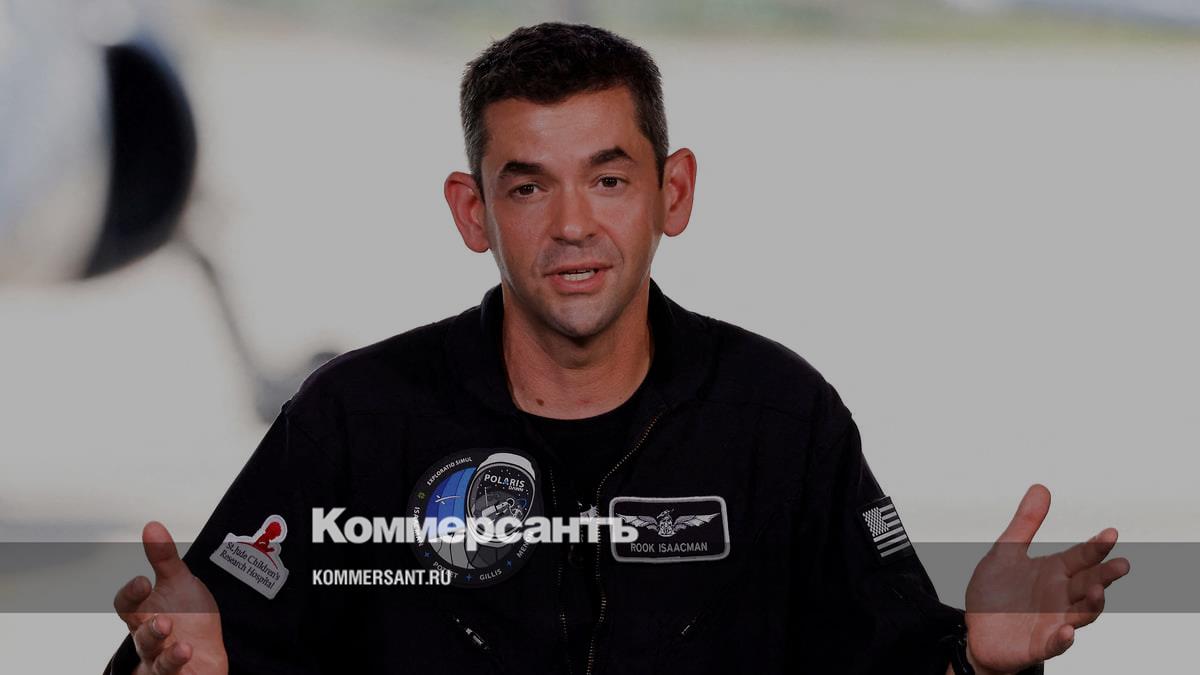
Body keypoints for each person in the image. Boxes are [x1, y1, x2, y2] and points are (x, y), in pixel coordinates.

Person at [105, 22, 1129, 675]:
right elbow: (192, 649)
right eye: (527, 186)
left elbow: (898, 664)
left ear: (672, 192)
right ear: (472, 212)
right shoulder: (354, 423)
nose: (572, 227)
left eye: (608, 179)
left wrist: (980, 662)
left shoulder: (781, 421)